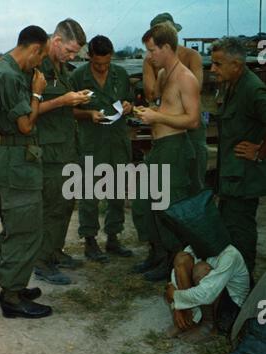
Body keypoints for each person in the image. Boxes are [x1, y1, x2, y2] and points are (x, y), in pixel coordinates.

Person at [0, 26, 52, 318]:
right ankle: (12, 298)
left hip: (14, 161)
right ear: (34, 49)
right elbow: (26, 125)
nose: (38, 66)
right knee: (23, 231)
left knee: (17, 227)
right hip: (18, 165)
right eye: (39, 58)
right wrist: (37, 94)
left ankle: (13, 284)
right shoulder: (9, 76)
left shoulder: (0, 69)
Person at [132, 23, 200, 281]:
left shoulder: (186, 78)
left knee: (167, 206)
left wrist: (157, 116)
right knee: (145, 202)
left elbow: (192, 121)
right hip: (159, 147)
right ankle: (157, 253)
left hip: (174, 149)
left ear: (167, 48)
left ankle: (173, 261)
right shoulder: (163, 74)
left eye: (152, 51)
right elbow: (166, 109)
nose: (149, 56)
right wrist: (146, 114)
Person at [33, 19, 91, 285]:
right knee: (51, 206)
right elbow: (28, 110)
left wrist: (75, 99)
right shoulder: (37, 66)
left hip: (68, 147)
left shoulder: (62, 67)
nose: (72, 57)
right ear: (56, 42)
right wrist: (64, 100)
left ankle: (55, 251)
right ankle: (42, 261)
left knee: (65, 204)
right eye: (69, 51)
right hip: (50, 152)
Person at [71, 35, 133, 261]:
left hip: (117, 141)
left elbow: (130, 100)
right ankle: (89, 241)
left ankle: (113, 238)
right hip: (91, 142)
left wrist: (129, 106)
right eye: (97, 64)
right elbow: (68, 110)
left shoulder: (121, 75)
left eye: (106, 63)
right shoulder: (78, 76)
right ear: (89, 57)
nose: (102, 68)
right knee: (90, 193)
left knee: (117, 192)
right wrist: (88, 114)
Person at [211, 37, 266, 277]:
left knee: (240, 236)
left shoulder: (253, 89)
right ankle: (232, 288)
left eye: (218, 64)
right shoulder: (231, 85)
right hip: (231, 177)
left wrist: (260, 150)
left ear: (237, 64)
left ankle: (243, 295)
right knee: (229, 235)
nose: (213, 69)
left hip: (244, 180)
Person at [143, 12, 207, 196]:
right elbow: (151, 93)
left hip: (189, 125)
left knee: (194, 177)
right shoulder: (152, 60)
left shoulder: (192, 56)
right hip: (167, 131)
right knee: (166, 185)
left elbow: (196, 87)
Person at [165, 244, 250, 342]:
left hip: (229, 307)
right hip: (206, 296)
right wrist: (177, 307)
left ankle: (209, 326)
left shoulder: (230, 254)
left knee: (201, 269)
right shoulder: (195, 245)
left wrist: (175, 296)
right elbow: (173, 282)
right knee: (181, 259)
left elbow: (206, 295)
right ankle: (190, 320)